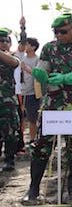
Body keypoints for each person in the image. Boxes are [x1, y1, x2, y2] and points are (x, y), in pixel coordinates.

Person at [24, 14, 72, 202]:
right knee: (41, 145)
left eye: (63, 32)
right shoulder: (50, 48)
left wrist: (70, 77)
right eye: (56, 32)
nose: (59, 35)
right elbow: (44, 69)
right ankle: (33, 189)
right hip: (53, 105)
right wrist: (40, 74)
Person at [0, 28, 21, 172]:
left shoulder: (11, 56)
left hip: (7, 100)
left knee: (9, 131)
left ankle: (9, 159)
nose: (4, 43)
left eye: (6, 41)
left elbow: (14, 63)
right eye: (1, 41)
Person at [19, 37, 40, 144]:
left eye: (27, 44)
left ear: (33, 47)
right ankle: (20, 141)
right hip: (20, 92)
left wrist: (27, 69)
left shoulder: (38, 60)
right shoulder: (22, 58)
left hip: (32, 93)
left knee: (32, 119)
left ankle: (33, 139)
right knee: (20, 118)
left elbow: (39, 74)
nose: (25, 46)